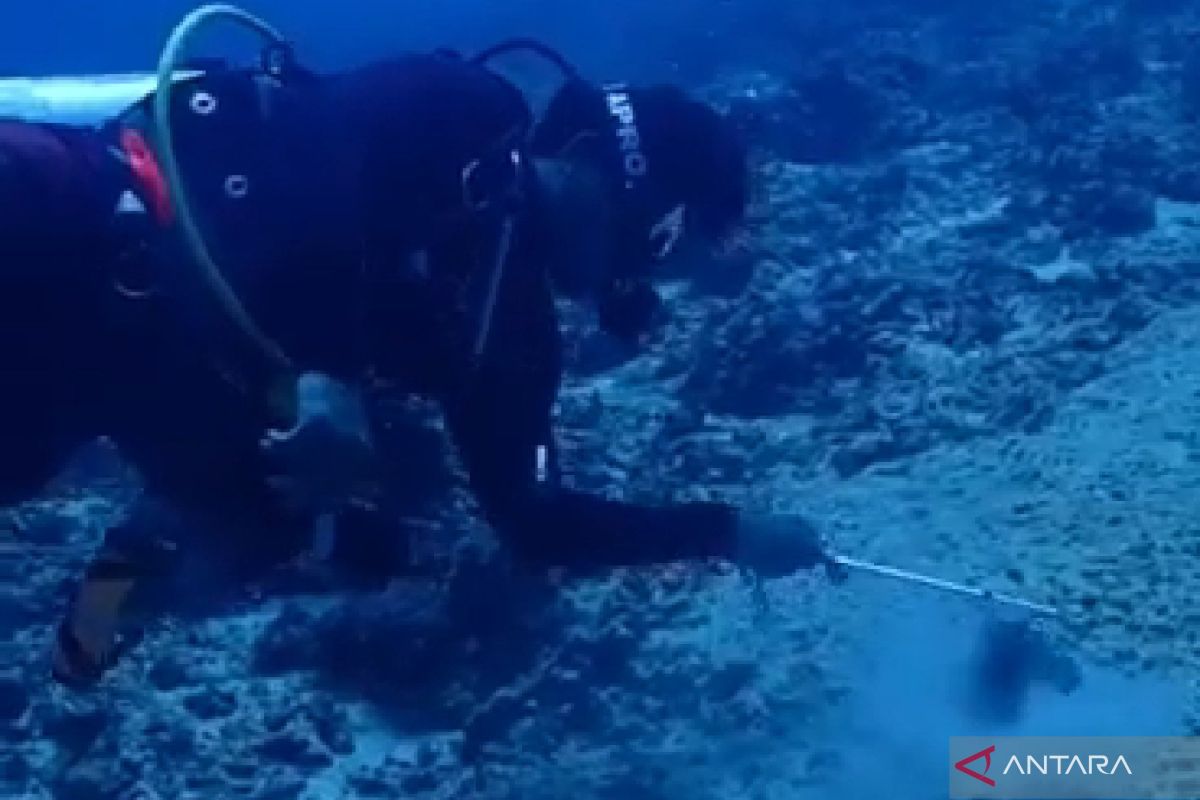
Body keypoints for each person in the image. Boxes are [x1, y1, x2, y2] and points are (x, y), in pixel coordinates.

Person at [0, 41, 834, 687]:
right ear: (614, 169)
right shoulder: (465, 110)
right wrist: (324, 371)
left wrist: (723, 532)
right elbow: (309, 140)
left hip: (96, 379)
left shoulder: (511, 340)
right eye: (653, 244)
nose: (625, 281)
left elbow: (533, 520)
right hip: (79, 213)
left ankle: (106, 604)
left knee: (301, 528)